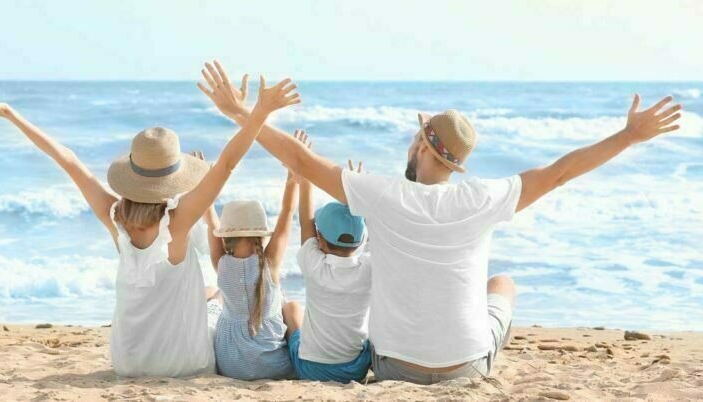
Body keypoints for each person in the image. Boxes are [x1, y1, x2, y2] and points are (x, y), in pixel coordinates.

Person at [197, 61, 682, 384]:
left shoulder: (382, 195)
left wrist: (242, 112)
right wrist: (627, 136)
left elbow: (302, 161)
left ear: (423, 146)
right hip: (467, 367)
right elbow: (558, 173)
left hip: (393, 369)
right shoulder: (482, 197)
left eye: (415, 139)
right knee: (503, 285)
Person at [0, 67, 301, 377]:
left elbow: (67, 159)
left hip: (128, 362)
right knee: (217, 301)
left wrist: (10, 114)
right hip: (184, 363)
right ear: (173, 180)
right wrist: (258, 112)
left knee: (211, 295)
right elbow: (226, 164)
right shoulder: (178, 222)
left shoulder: (115, 219)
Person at [289, 139, 373, 384]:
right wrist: (360, 197)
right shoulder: (370, 268)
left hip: (310, 369)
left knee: (292, 311)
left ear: (320, 240)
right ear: (362, 241)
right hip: (355, 369)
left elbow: (305, 222)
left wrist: (304, 180)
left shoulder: (314, 265)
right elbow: (376, 229)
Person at [206, 169, 301, 380]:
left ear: (225, 236)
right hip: (275, 366)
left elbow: (211, 222)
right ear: (260, 236)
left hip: (231, 366)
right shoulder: (270, 262)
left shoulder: (221, 263)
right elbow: (287, 212)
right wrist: (292, 179)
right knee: (289, 306)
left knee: (215, 297)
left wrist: (207, 183)